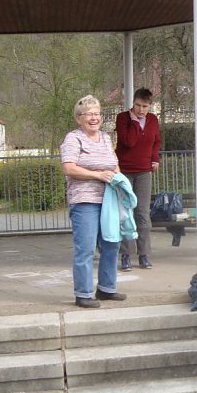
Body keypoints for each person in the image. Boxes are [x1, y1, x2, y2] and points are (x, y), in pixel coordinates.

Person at [61, 95, 126, 308]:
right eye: (88, 114)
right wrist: (98, 175)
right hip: (84, 200)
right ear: (79, 118)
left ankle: (107, 288)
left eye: (97, 113)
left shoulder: (106, 138)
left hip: (108, 199)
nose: (93, 118)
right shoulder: (73, 138)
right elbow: (69, 168)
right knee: (86, 247)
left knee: (111, 243)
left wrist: (120, 181)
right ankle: (83, 293)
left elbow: (114, 165)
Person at [116, 88, 161, 271]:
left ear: (150, 106)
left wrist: (155, 158)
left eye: (145, 107)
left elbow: (156, 140)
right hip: (125, 170)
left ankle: (144, 254)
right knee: (125, 212)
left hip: (144, 171)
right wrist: (135, 122)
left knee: (142, 212)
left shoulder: (153, 120)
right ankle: (126, 254)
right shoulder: (123, 118)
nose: (141, 110)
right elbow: (129, 142)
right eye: (138, 106)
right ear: (132, 103)